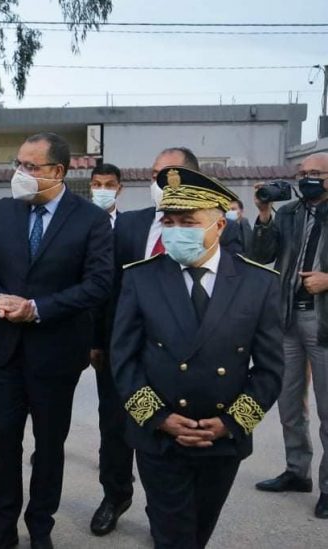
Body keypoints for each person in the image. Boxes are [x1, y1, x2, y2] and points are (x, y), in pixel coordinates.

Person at [111, 166, 283, 549]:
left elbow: (270, 370)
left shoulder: (258, 284)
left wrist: (231, 423)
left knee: (199, 531)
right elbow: (123, 360)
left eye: (187, 222)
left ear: (219, 225)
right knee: (173, 536)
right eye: (168, 222)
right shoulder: (141, 278)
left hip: (221, 439)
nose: (175, 231)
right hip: (159, 436)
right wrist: (159, 418)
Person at [87, 146, 245, 537]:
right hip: (126, 352)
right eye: (155, 174)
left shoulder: (225, 233)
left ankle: (165, 513)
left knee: (171, 440)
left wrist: (236, 419)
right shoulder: (129, 225)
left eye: (168, 174)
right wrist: (98, 341)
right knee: (116, 429)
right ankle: (115, 495)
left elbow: (235, 301)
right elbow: (108, 288)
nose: (159, 182)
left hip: (185, 359)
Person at [0, 132, 113, 549]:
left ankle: (40, 527)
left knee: (49, 446)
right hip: (8, 350)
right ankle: (3, 526)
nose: (20, 173)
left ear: (58, 171)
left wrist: (37, 308)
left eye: (31, 167)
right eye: (18, 164)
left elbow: (98, 284)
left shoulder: (90, 219)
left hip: (57, 352)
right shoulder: (4, 210)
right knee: (4, 442)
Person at [249, 152, 328, 518]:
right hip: (287, 317)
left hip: (323, 320)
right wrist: (264, 213)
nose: (307, 178)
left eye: (315, 173)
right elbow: (261, 254)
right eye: (303, 172)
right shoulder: (290, 213)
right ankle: (297, 471)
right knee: (289, 403)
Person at [89, 162, 122, 227]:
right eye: (97, 184)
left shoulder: (127, 223)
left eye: (109, 185)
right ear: (90, 188)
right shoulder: (78, 221)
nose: (102, 190)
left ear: (119, 189)